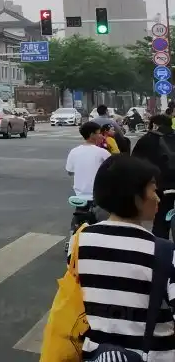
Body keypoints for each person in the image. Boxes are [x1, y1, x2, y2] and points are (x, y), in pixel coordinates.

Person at [68, 155, 175, 361]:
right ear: (135, 196)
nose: (158, 198)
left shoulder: (79, 241)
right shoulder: (165, 253)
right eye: (153, 189)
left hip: (98, 355)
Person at [134, 114, 175, 237]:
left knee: (160, 219)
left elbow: (135, 162)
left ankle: (161, 249)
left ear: (155, 125)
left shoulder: (147, 139)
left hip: (159, 185)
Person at [66, 121, 111, 201]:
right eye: (99, 133)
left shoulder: (74, 151)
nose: (102, 136)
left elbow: (70, 172)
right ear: (92, 135)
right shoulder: (102, 152)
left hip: (79, 196)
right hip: (98, 197)